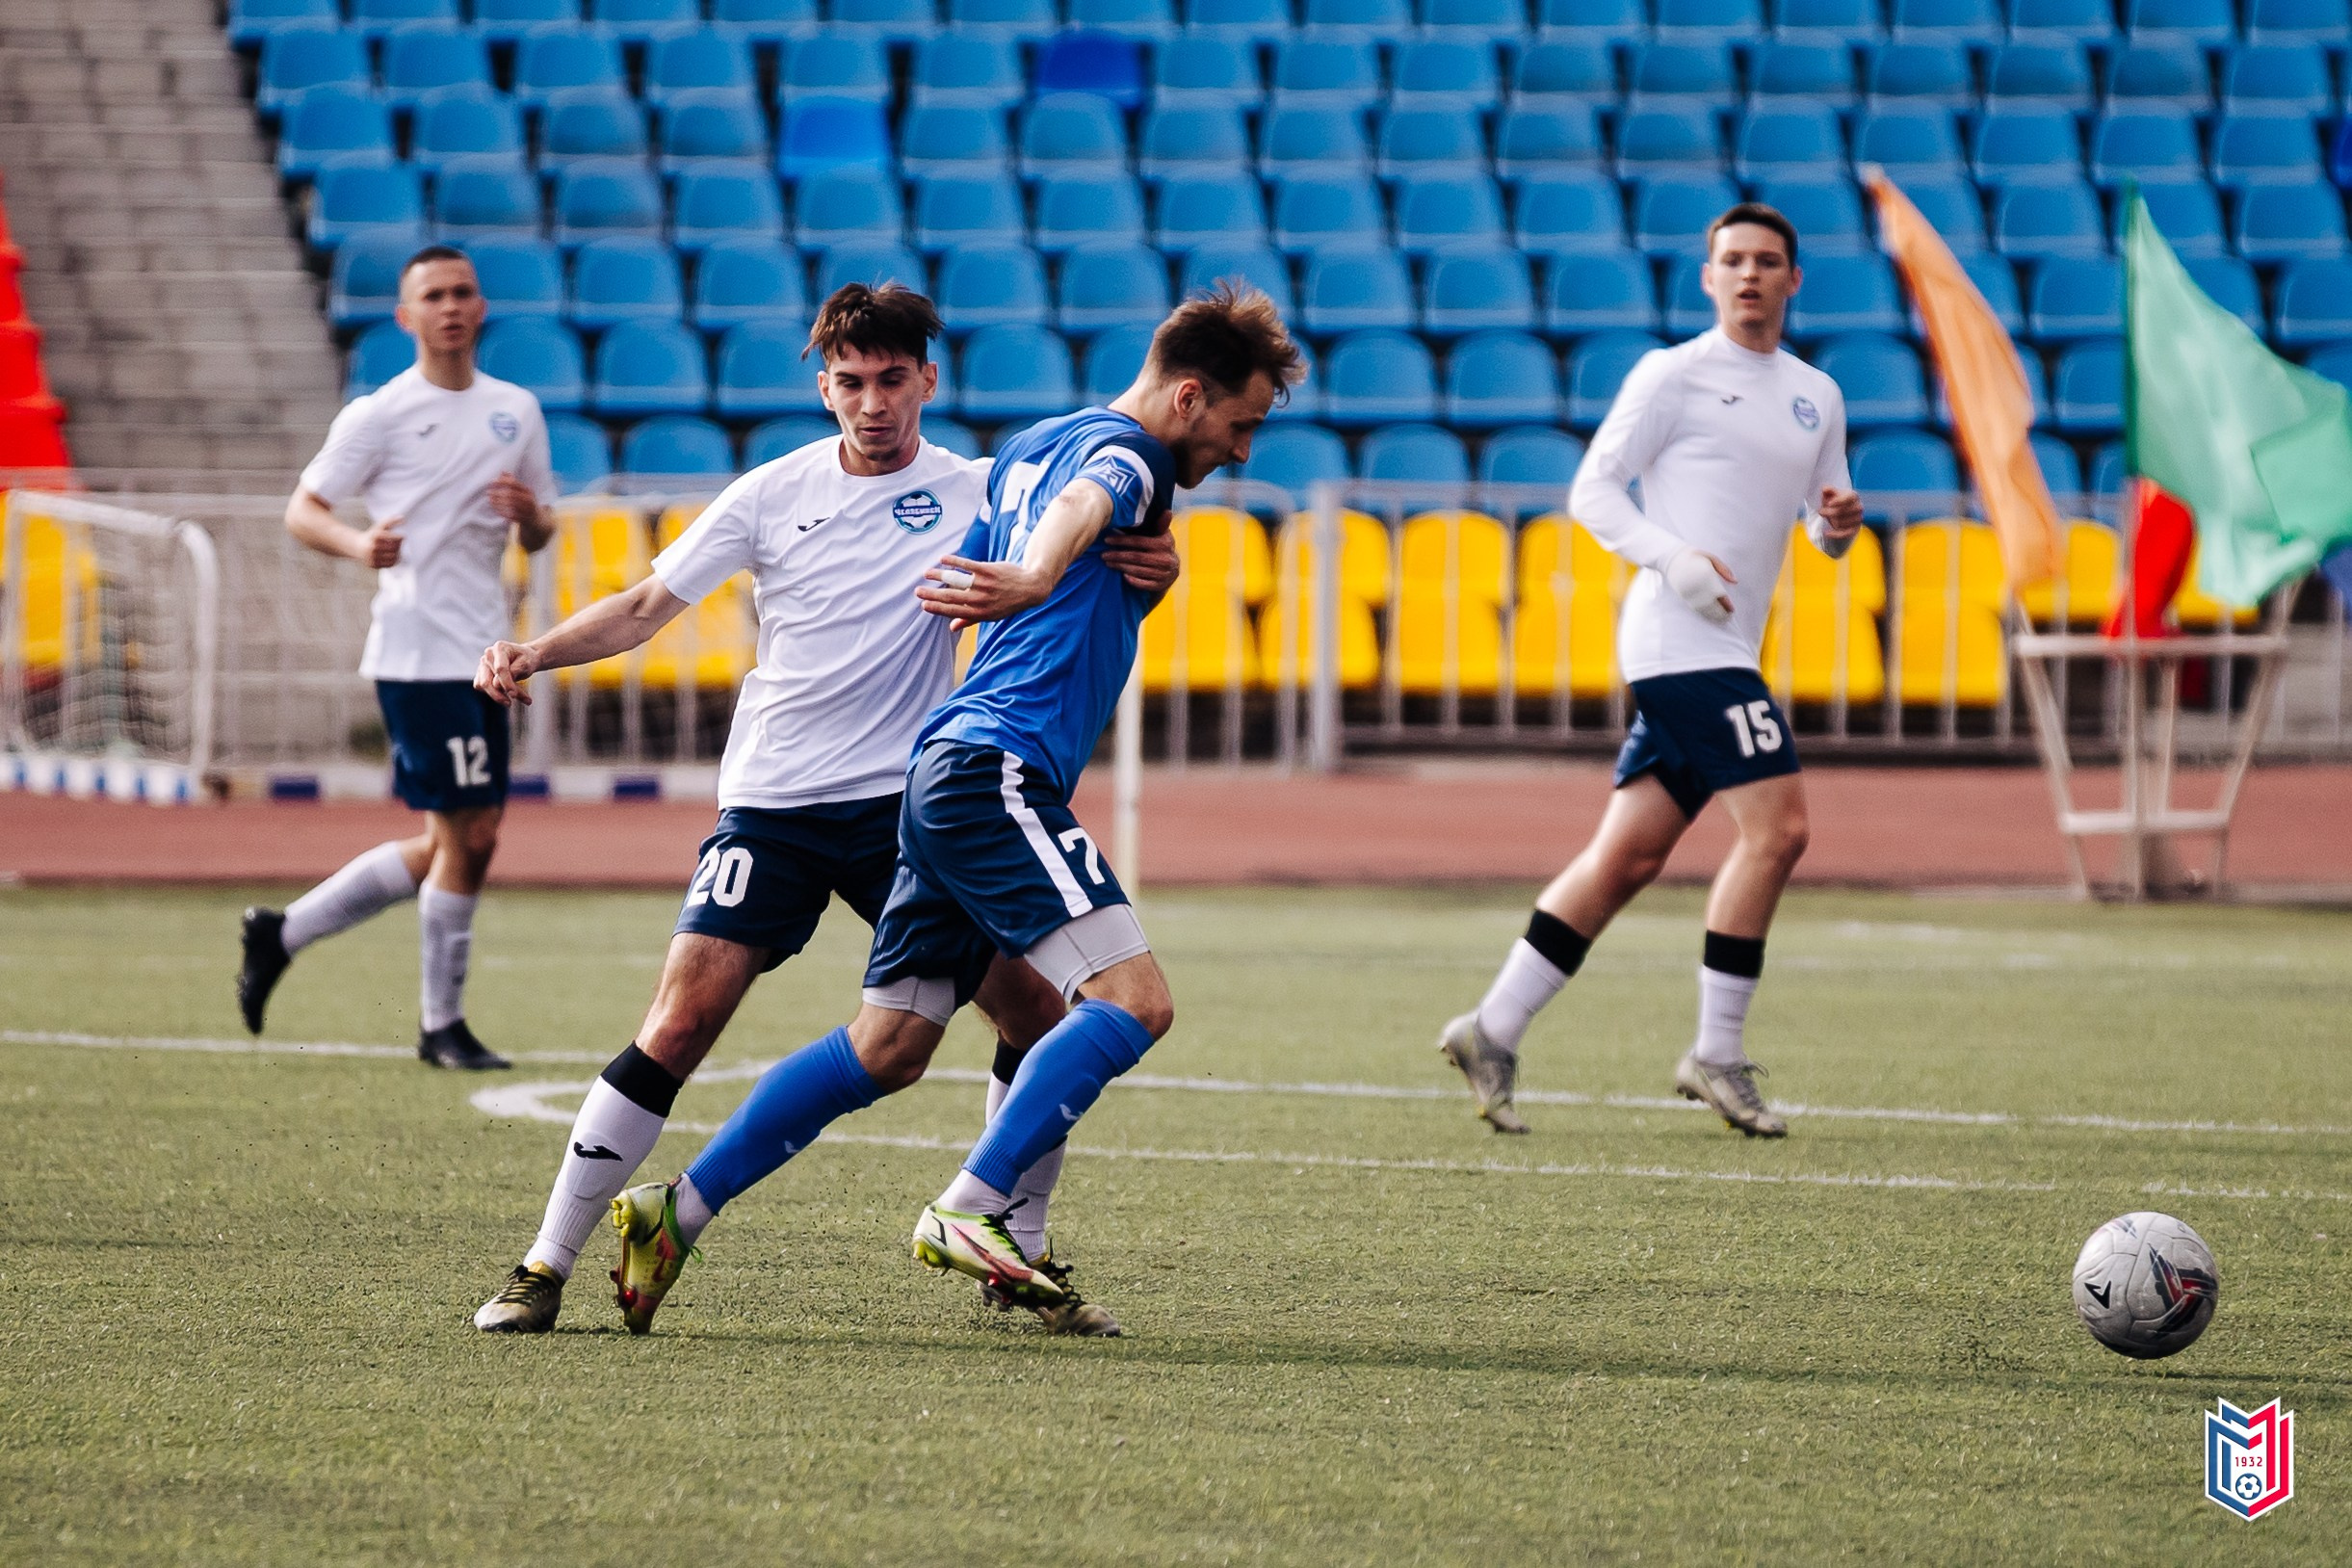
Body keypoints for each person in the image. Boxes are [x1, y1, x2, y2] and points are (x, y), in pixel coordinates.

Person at [466, 284, 1179, 1336]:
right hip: (775, 803)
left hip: (910, 810)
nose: (873, 402)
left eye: (894, 379)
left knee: (1030, 1011)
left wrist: (1158, 564)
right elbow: (645, 605)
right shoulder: (771, 491)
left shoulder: (978, 489)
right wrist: (535, 650)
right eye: (851, 382)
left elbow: (1085, 541)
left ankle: (1015, 1256)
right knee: (682, 1017)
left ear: (929, 381)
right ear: (824, 386)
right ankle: (544, 1262)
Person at [594, 285, 1304, 1335]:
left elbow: (1087, 534)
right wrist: (1037, 570)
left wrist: (1139, 575)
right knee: (1132, 1000)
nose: (1243, 450)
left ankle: (676, 1211)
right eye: (1241, 424)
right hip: (994, 769)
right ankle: (975, 1209)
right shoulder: (1131, 458)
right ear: (1190, 394)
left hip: (938, 769)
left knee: (889, 1043)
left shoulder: (1034, 441)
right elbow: (1086, 511)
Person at [1438, 204, 1865, 1140]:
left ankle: (1492, 1027)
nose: (1748, 275)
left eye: (1766, 262)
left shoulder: (1814, 395)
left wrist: (1834, 528)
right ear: (1707, 278)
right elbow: (1591, 490)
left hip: (1727, 645)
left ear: (1794, 280)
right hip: (1678, 641)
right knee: (1781, 829)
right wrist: (1671, 558)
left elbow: (1816, 523)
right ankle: (1716, 1051)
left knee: (1628, 856)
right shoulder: (1672, 374)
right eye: (1732, 261)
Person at [237, 246, 555, 1071]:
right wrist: (356, 541)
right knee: (473, 836)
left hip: (490, 650)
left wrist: (530, 516)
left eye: (462, 293)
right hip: (417, 655)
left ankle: (284, 931)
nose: (451, 307)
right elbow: (302, 510)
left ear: (481, 308)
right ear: (405, 317)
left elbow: (543, 526)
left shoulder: (516, 409)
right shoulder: (378, 414)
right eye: (433, 296)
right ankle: (439, 1025)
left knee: (448, 840)